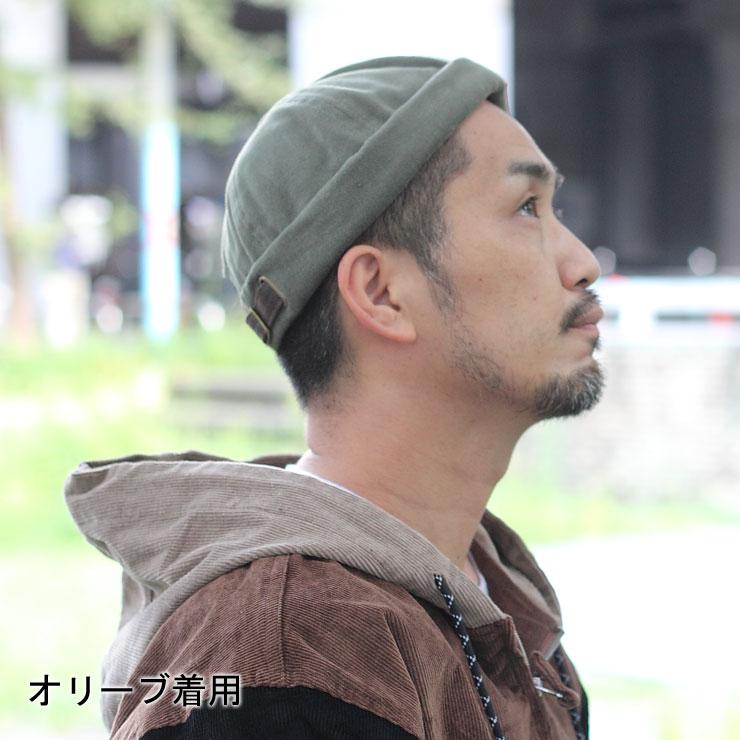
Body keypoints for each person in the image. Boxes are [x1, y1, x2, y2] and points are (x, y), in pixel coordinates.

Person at [65, 56, 603, 739]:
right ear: (381, 293)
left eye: (555, 209)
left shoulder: (492, 590)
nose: (583, 261)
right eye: (526, 208)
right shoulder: (295, 661)